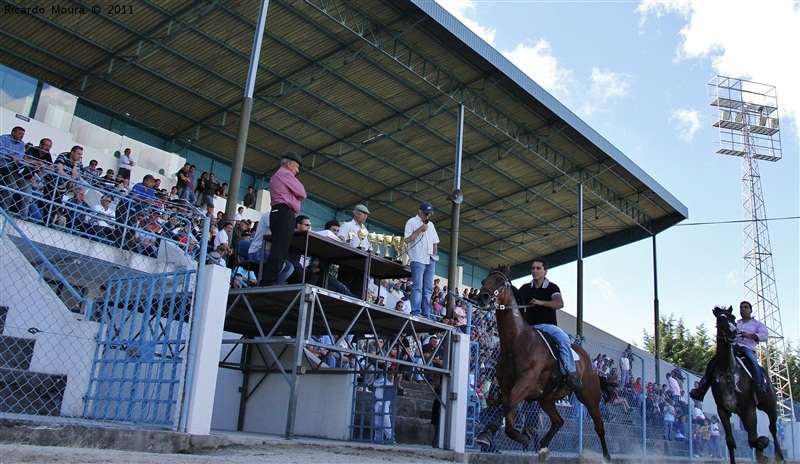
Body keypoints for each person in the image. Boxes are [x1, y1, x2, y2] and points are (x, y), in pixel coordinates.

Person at [517, 258, 582, 392]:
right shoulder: (524, 288)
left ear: (545, 272)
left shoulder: (552, 287)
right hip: (527, 328)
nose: (534, 271)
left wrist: (541, 303)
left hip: (547, 326)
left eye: (538, 268)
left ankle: (570, 374)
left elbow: (559, 304)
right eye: (533, 268)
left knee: (563, 338)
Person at [689, 300, 770, 403]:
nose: (743, 309)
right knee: (714, 361)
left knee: (752, 361)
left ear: (751, 310)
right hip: (733, 347)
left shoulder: (757, 324)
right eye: (741, 307)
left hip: (747, 348)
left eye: (746, 307)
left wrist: (750, 336)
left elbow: (764, 336)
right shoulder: (736, 322)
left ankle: (759, 386)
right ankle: (701, 389)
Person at [263, 152, 306, 286]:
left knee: (278, 247)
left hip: (277, 211)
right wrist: (295, 195)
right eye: (296, 167)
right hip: (284, 212)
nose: (297, 171)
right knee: (280, 249)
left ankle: (269, 278)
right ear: (289, 164)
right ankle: (270, 280)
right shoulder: (286, 174)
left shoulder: (277, 175)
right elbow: (302, 193)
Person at [403, 201, 439, 319]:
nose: (427, 216)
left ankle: (425, 312)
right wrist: (419, 230)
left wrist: (434, 254)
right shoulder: (411, 222)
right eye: (425, 213)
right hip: (418, 258)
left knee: (428, 288)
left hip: (430, 259)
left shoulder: (431, 225)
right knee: (417, 286)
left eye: (429, 214)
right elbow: (407, 239)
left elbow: (435, 242)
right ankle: (416, 311)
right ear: (420, 211)